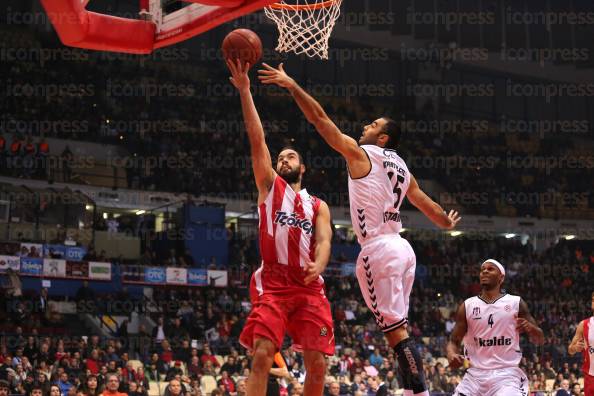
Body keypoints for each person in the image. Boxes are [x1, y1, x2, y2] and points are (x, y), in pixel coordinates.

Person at [258, 63, 461, 396]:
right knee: (400, 332)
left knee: (397, 336)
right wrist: (445, 221)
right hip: (404, 250)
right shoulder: (402, 167)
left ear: (382, 138)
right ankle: (414, 391)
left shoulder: (363, 153)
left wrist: (292, 85)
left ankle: (420, 393)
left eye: (374, 124)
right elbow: (426, 204)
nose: (367, 125)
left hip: (379, 250)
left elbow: (321, 121)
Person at [227, 59, 334, 396]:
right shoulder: (270, 187)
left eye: (290, 157)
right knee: (261, 355)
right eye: (280, 158)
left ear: (303, 166)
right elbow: (256, 138)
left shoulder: (318, 205)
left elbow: (326, 238)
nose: (282, 161)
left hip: (307, 284)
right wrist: (245, 90)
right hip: (273, 281)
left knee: (318, 364)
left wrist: (320, 263)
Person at [446, 259, 544, 395]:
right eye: (482, 269)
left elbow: (540, 339)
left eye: (490, 269)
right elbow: (453, 341)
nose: (485, 271)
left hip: (506, 375)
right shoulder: (468, 306)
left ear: (501, 277)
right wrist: (451, 354)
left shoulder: (516, 303)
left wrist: (531, 329)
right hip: (475, 376)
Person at [567, 291, 594, 395]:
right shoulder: (584, 325)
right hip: (590, 377)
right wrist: (575, 348)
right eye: (593, 300)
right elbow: (570, 349)